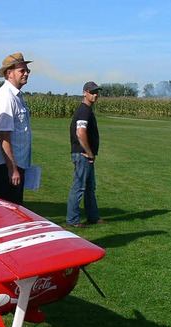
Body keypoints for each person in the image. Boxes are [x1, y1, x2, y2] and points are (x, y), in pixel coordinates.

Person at [0, 52, 33, 205]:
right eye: (22, 70)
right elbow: (3, 136)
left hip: (15, 164)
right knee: (6, 212)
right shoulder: (6, 97)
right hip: (6, 166)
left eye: (27, 70)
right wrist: (12, 169)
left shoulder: (16, 96)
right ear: (9, 73)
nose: (26, 73)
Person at [66, 81, 106, 228]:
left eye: (97, 92)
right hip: (82, 155)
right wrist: (89, 152)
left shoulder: (87, 110)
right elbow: (80, 133)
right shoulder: (84, 110)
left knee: (90, 187)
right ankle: (73, 220)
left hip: (86, 155)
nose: (95, 95)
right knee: (79, 187)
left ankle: (93, 217)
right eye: (92, 92)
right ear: (85, 92)